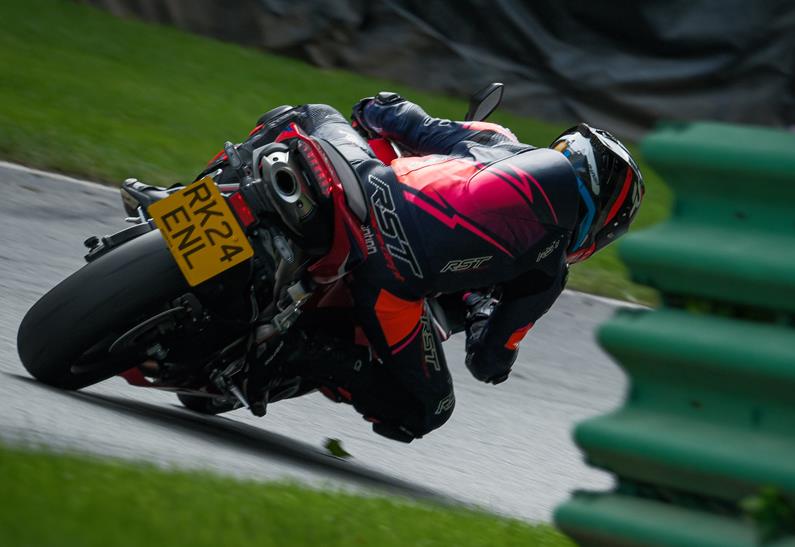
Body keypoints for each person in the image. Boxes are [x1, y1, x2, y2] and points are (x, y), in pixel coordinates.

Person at [171, 93, 645, 442]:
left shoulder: (496, 141)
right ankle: (291, 352)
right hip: (394, 287)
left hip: (364, 191)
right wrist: (484, 314)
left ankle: (186, 198)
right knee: (428, 409)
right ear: (603, 224)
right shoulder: (548, 272)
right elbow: (488, 361)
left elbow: (404, 120)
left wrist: (370, 110)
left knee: (307, 116)